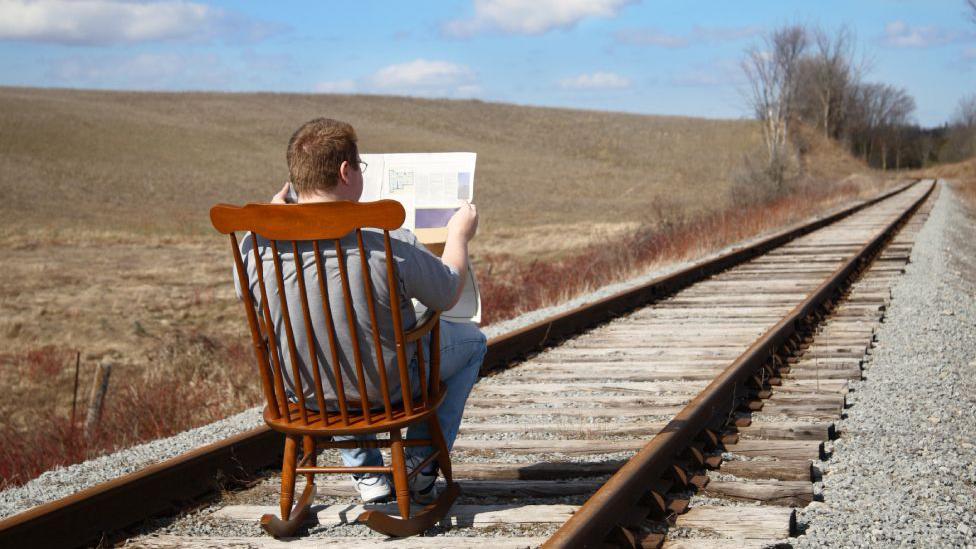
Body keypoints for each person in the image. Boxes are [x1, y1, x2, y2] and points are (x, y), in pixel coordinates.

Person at [237, 118, 485, 505]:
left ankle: (369, 476)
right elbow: (448, 292)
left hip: (304, 390)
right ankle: (421, 465)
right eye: (360, 168)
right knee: (472, 342)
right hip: (386, 388)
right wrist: (458, 236)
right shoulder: (386, 241)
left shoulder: (255, 246)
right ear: (345, 171)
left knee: (333, 346)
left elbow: (245, 294)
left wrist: (274, 219)